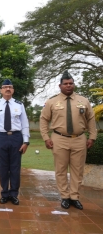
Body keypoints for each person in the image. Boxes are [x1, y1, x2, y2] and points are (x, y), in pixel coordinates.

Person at [40, 71, 96, 210]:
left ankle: (74, 197)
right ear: (60, 86)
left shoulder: (84, 101)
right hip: (59, 139)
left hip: (79, 139)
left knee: (78, 170)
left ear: (74, 84)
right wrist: (46, 138)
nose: (68, 86)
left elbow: (91, 119)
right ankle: (65, 196)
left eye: (71, 83)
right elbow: (44, 120)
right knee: (61, 169)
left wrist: (92, 137)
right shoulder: (52, 102)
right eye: (65, 84)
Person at [0, 79, 30, 205]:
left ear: (13, 90)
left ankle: (14, 194)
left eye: (10, 87)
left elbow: (25, 124)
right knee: (3, 167)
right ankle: (5, 193)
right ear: (1, 90)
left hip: (16, 138)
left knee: (15, 167)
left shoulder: (19, 105)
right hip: (0, 138)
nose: (7, 89)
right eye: (5, 87)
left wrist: (26, 141)